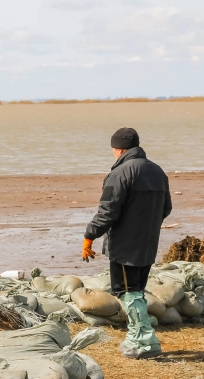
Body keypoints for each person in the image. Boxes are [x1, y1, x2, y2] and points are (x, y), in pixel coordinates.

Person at [82, 127, 172, 359]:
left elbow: (108, 211)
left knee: (127, 292)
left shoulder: (121, 172)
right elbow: (166, 208)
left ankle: (145, 342)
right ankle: (135, 338)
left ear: (119, 148)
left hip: (125, 247)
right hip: (148, 244)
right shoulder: (157, 171)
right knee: (137, 291)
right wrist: (147, 226)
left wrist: (89, 236)